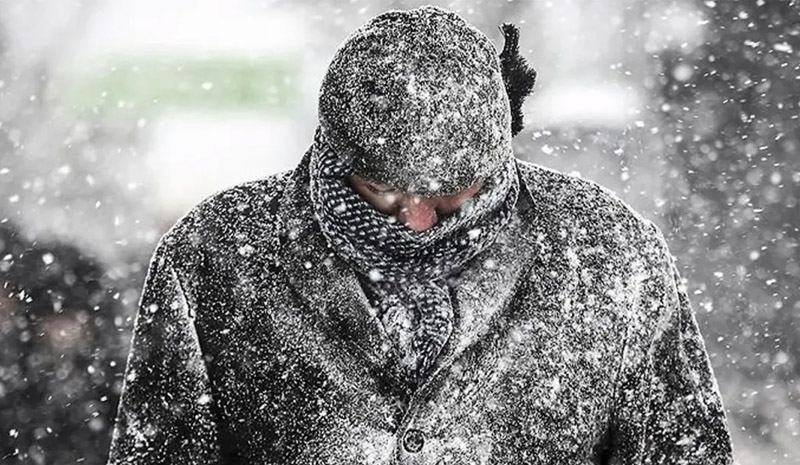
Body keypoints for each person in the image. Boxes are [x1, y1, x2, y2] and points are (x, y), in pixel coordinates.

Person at [106, 6, 734, 464]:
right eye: (381, 190)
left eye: (449, 193)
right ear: (334, 157)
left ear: (496, 159)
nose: (417, 220)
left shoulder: (609, 257)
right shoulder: (216, 255)